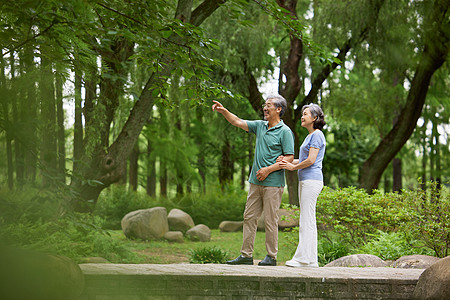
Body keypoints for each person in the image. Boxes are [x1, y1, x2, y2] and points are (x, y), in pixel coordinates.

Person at [212, 96, 294, 266]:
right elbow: (237, 121)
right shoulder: (260, 126)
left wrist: (268, 169)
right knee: (249, 217)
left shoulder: (285, 131)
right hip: (255, 182)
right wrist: (224, 111)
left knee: (271, 220)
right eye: (265, 105)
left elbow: (289, 157)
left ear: (278, 109)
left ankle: (271, 256)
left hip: (273, 184)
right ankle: (246, 255)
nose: (265, 108)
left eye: (269, 105)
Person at [279, 103, 326, 268]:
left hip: (311, 181)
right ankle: (311, 260)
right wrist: (287, 162)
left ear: (314, 118)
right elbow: (305, 160)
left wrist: (293, 167)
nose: (302, 116)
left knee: (306, 220)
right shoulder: (310, 136)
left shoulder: (317, 135)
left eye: (305, 114)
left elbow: (311, 161)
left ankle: (303, 259)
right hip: (307, 180)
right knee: (308, 219)